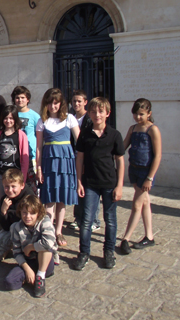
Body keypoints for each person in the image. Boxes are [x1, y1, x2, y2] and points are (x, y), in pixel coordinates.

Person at [74, 97, 125, 270]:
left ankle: (109, 251)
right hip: (90, 184)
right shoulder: (85, 134)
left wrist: (119, 185)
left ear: (107, 113)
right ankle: (84, 252)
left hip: (109, 183)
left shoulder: (114, 135)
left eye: (101, 111)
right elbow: (79, 159)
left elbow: (120, 161)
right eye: (94, 111)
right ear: (89, 113)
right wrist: (79, 182)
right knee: (86, 220)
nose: (97, 115)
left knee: (110, 220)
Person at [36, 88, 80, 247]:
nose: (53, 106)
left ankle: (58, 230)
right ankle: (48, 229)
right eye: (50, 103)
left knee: (62, 198)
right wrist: (38, 168)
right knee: (49, 198)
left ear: (61, 104)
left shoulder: (70, 119)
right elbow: (39, 147)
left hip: (65, 163)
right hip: (49, 161)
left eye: (56, 103)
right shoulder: (42, 121)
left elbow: (80, 141)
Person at [120, 98, 162, 254]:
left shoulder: (153, 130)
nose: (138, 117)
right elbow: (123, 147)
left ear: (149, 113)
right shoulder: (133, 129)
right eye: (135, 114)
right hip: (134, 170)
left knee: (137, 205)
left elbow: (157, 156)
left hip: (145, 172)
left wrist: (150, 178)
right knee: (145, 203)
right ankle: (149, 236)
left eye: (141, 114)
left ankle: (126, 238)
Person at [5, 195, 56, 298]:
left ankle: (41, 276)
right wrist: (27, 269)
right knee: (9, 282)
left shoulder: (45, 222)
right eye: (24, 212)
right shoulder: (16, 227)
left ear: (38, 214)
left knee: (45, 246)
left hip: (45, 261)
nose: (28, 217)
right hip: (28, 260)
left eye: (32, 213)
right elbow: (17, 252)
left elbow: (49, 243)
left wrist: (30, 247)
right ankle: (31, 275)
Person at [68, 90, 100, 231]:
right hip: (74, 155)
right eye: (74, 101)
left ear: (85, 102)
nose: (76, 104)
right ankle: (79, 217)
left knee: (91, 187)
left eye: (79, 101)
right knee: (78, 186)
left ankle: (94, 219)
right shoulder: (70, 117)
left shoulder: (90, 118)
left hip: (87, 156)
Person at [0, 169, 34, 257]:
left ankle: (26, 253)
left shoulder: (29, 197)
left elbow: (26, 220)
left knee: (16, 228)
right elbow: (5, 227)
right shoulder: (5, 199)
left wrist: (9, 212)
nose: (10, 190)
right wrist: (3, 211)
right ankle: (12, 249)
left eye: (13, 186)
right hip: (12, 229)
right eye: (6, 186)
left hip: (30, 231)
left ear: (22, 185)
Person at [0, 105, 29, 202]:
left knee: (17, 201)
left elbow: (25, 159)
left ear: (15, 119)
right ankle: (3, 216)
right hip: (1, 175)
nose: (8, 121)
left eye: (11, 118)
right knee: (3, 200)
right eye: (6, 118)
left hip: (16, 176)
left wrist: (23, 177)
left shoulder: (21, 135)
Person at [12, 86, 40, 194]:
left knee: (32, 184)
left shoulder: (34, 116)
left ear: (27, 99)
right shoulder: (12, 114)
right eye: (17, 98)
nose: (20, 100)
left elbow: (39, 135)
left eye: (22, 97)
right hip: (15, 155)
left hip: (30, 155)